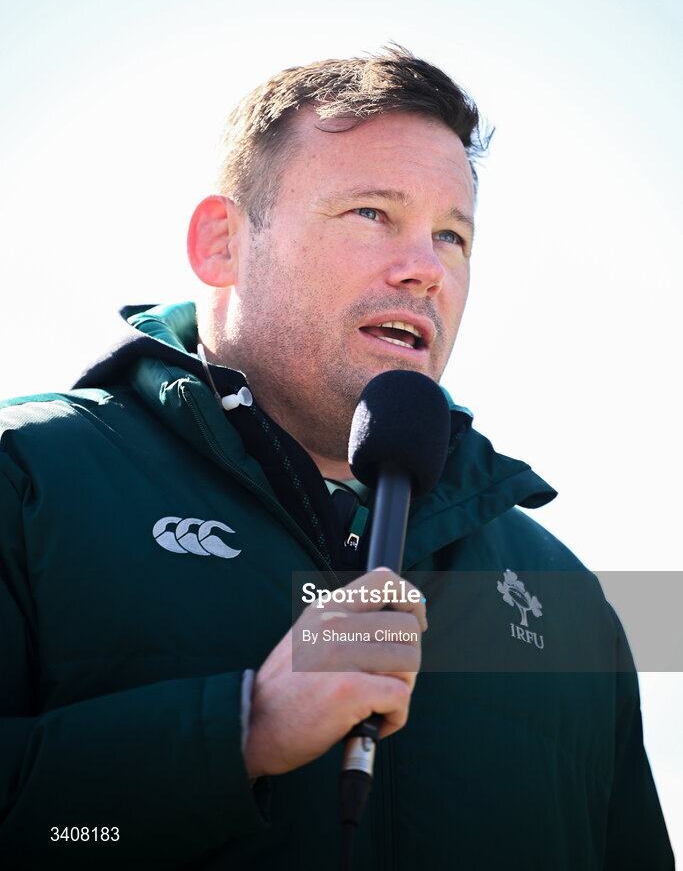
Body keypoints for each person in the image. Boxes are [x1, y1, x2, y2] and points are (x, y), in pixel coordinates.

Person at [0, 47, 673, 869]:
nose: (424, 268)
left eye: (451, 235)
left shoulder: (563, 601)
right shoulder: (27, 478)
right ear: (221, 243)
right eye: (370, 213)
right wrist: (238, 733)